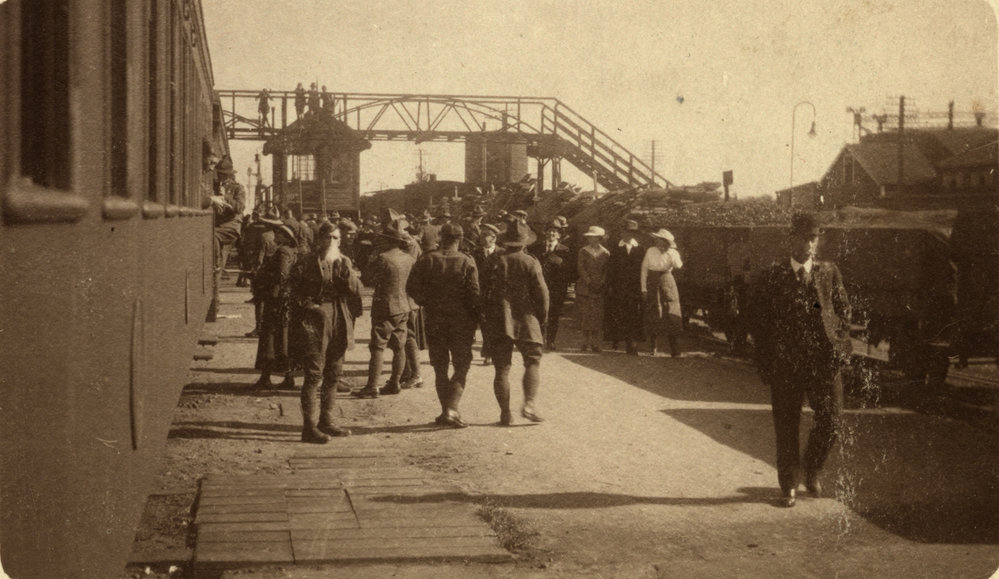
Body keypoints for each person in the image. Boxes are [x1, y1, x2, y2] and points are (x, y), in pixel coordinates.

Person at [750, 213, 852, 508]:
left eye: (813, 238)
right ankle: (789, 485)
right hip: (786, 364)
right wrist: (766, 361)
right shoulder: (772, 275)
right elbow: (758, 321)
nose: (808, 244)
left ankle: (812, 468)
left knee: (832, 419)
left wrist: (838, 343)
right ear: (790, 239)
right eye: (802, 238)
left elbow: (844, 310)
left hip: (823, 362)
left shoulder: (829, 272)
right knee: (786, 425)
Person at [290, 221, 360, 442]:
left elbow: (354, 292)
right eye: (328, 237)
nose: (332, 242)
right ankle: (309, 427)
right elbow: (290, 292)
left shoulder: (343, 262)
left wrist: (348, 271)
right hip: (314, 319)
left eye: (336, 238)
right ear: (319, 239)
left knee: (334, 372)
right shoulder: (305, 262)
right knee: (314, 374)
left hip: (339, 316)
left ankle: (327, 421)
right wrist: (308, 306)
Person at [407, 223, 480, 428]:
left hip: (435, 320)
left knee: (440, 367)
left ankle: (445, 410)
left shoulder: (427, 259)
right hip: (461, 322)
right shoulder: (467, 261)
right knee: (461, 365)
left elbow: (411, 287)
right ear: (461, 239)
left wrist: (427, 302)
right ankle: (452, 409)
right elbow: (474, 295)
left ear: (440, 237)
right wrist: (475, 320)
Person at [482, 219, 549, 425]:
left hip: (499, 319)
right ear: (524, 242)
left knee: (501, 368)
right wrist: (541, 320)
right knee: (532, 362)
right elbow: (542, 294)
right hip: (526, 317)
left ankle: (505, 414)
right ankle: (528, 404)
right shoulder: (530, 262)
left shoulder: (493, 261)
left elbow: (482, 291)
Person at [355, 219, 416, 398]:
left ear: (389, 241)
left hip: (385, 307)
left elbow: (368, 279)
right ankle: (395, 382)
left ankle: (372, 386)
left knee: (378, 346)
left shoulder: (382, 258)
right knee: (399, 346)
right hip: (404, 306)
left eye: (383, 239)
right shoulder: (409, 258)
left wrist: (371, 259)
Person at [253, 222, 299, 390]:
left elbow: (282, 275)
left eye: (279, 233)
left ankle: (265, 378)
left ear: (285, 237)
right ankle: (289, 377)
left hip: (277, 300)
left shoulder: (282, 251)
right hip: (285, 300)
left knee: (270, 338)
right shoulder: (292, 251)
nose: (275, 235)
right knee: (286, 339)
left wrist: (266, 281)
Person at [205, 155, 246, 322]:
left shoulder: (238, 188)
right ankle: (214, 303)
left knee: (213, 237)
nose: (221, 177)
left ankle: (215, 263)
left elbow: (240, 208)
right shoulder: (214, 186)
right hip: (217, 224)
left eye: (224, 174)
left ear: (230, 175)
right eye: (220, 174)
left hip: (231, 226)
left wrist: (225, 197)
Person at [529, 220, 574, 350]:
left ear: (559, 235)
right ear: (545, 233)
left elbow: (571, 270)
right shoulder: (536, 248)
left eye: (555, 231)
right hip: (538, 287)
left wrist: (560, 263)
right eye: (549, 230)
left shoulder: (565, 251)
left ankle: (551, 340)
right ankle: (538, 339)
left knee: (553, 314)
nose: (552, 233)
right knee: (538, 313)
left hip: (556, 288)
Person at [605, 219, 645, 355]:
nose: (626, 234)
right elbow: (610, 268)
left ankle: (631, 344)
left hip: (634, 288)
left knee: (633, 314)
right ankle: (616, 339)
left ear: (634, 234)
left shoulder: (640, 249)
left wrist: (642, 288)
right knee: (618, 313)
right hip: (618, 287)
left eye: (630, 232)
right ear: (621, 232)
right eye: (624, 231)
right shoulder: (615, 247)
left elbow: (643, 270)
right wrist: (609, 285)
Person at [641, 228, 683, 357]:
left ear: (666, 242)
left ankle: (675, 349)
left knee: (671, 312)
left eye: (659, 240)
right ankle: (653, 347)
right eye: (656, 239)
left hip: (667, 280)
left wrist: (670, 254)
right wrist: (644, 288)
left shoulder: (673, 252)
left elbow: (678, 266)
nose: (657, 241)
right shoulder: (650, 251)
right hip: (653, 282)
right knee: (654, 313)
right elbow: (644, 270)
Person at [473, 224, 503, 365]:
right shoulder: (475, 253)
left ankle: (496, 351)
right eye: (482, 236)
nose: (482, 238)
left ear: (494, 238)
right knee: (485, 323)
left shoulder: (502, 253)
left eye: (485, 236)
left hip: (498, 294)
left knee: (496, 323)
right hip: (482, 293)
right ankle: (488, 353)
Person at [576, 226, 610, 352]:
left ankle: (595, 343)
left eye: (593, 236)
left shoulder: (605, 253)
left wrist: (601, 283)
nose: (590, 238)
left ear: (599, 238)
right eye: (589, 236)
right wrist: (588, 282)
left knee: (596, 316)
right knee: (585, 315)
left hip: (599, 288)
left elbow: (607, 270)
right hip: (585, 287)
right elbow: (580, 268)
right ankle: (584, 342)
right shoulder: (583, 251)